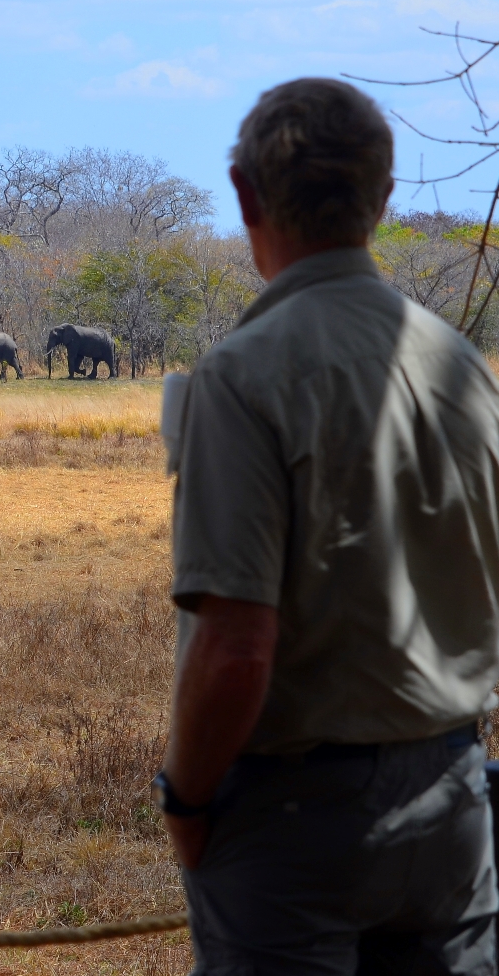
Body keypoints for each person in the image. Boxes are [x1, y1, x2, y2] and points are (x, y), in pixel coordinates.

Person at [154, 77, 499, 975]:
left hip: (293, 822)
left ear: (244, 195)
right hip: (455, 802)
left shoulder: (243, 373)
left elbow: (235, 646)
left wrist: (187, 802)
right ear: (385, 199)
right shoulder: (464, 369)